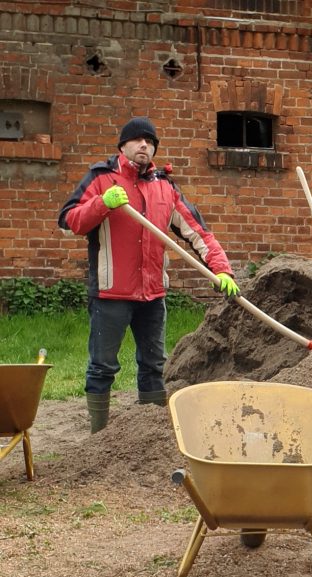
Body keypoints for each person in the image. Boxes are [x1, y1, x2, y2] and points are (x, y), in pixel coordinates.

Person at [58, 116, 240, 432]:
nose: (144, 145)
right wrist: (102, 203)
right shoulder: (101, 179)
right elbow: (68, 221)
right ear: (123, 146)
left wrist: (222, 270)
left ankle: (149, 436)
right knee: (102, 367)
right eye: (138, 140)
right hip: (111, 294)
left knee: (154, 365)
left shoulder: (164, 187)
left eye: (150, 141)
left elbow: (198, 233)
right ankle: (98, 437)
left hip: (152, 294)